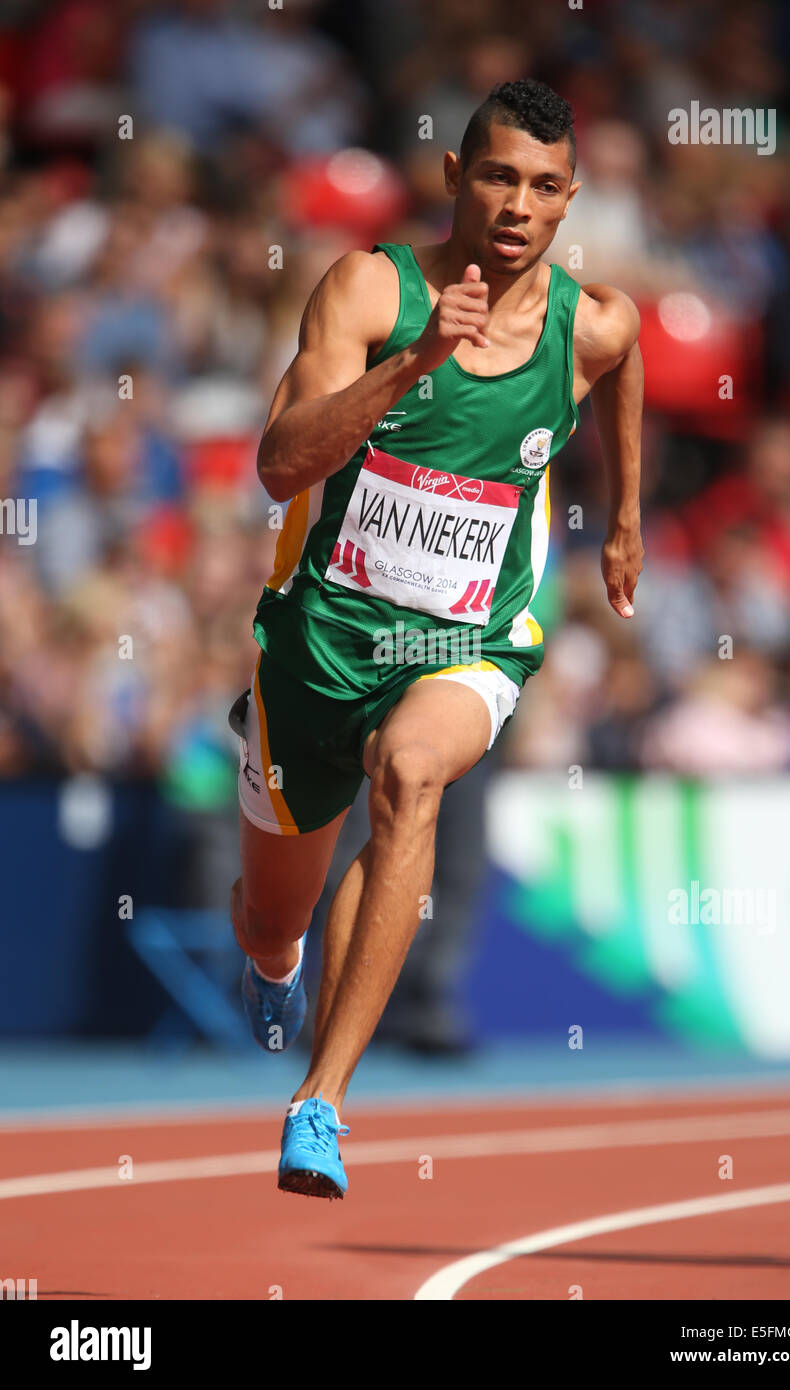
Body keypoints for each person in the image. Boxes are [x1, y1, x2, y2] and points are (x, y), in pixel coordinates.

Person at [228, 79, 644, 1199]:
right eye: (500, 176)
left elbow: (626, 355)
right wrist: (412, 364)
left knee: (411, 775)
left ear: (569, 201)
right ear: (455, 178)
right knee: (271, 918)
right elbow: (279, 465)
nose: (519, 205)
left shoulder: (588, 319)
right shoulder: (371, 289)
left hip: (470, 638)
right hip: (320, 638)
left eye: (546, 186)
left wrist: (627, 520)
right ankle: (280, 962)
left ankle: (321, 1101)